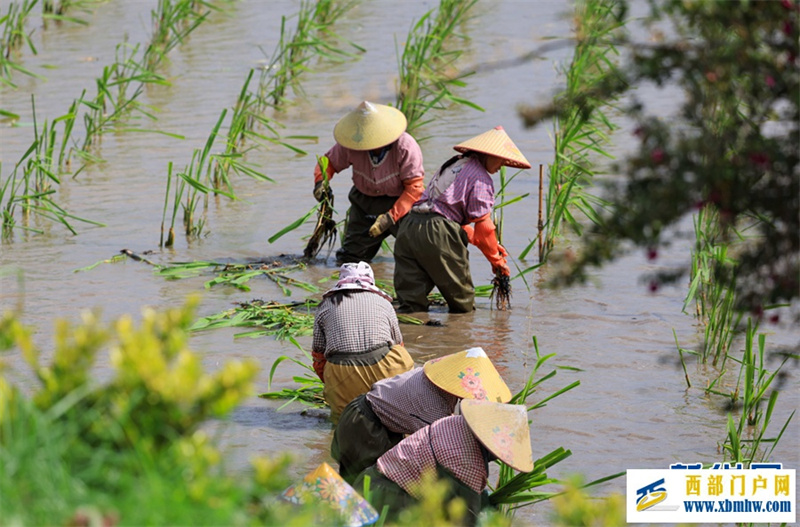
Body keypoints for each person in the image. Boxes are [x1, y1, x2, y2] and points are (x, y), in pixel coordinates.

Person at [393, 126, 532, 313]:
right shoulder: (481, 178)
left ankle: (416, 337)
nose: (502, 166)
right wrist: (496, 261)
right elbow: (485, 228)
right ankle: (459, 339)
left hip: (410, 225)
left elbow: (449, 217)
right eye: (501, 159)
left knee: (410, 302)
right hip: (437, 231)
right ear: (487, 154)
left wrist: (487, 245)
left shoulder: (454, 164)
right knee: (462, 303)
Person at [330, 347, 512, 484]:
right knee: (366, 487)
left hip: (369, 416)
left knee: (355, 485)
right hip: (367, 427)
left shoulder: (434, 378)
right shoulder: (433, 404)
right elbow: (439, 448)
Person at [352, 399, 534, 526]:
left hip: (370, 480)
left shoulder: (454, 422)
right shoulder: (469, 465)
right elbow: (464, 521)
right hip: (388, 502)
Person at [312, 101, 425, 265]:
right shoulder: (352, 143)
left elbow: (414, 188)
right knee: (350, 259)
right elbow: (328, 162)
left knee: (417, 256)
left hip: (401, 203)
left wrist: (389, 218)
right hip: (364, 203)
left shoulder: (405, 146)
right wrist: (320, 182)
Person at [311, 261, 414, 420]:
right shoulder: (383, 303)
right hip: (384, 367)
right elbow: (398, 343)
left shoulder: (325, 305)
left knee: (345, 423)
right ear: (370, 281)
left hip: (341, 371)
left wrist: (331, 384)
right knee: (392, 419)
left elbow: (318, 356)